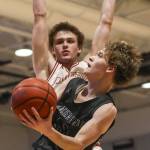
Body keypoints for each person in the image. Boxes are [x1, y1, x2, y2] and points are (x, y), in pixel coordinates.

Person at [19, 40, 141, 150]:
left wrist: (48, 130)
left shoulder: (106, 109)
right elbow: (44, 105)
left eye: (99, 56)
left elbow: (78, 145)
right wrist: (23, 104)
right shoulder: (72, 82)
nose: (91, 57)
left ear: (109, 68)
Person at [32, 0, 116, 88]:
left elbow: (106, 22)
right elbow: (39, 15)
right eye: (59, 42)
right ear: (53, 50)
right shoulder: (46, 69)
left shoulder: (88, 66)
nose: (65, 45)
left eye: (70, 41)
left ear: (79, 48)